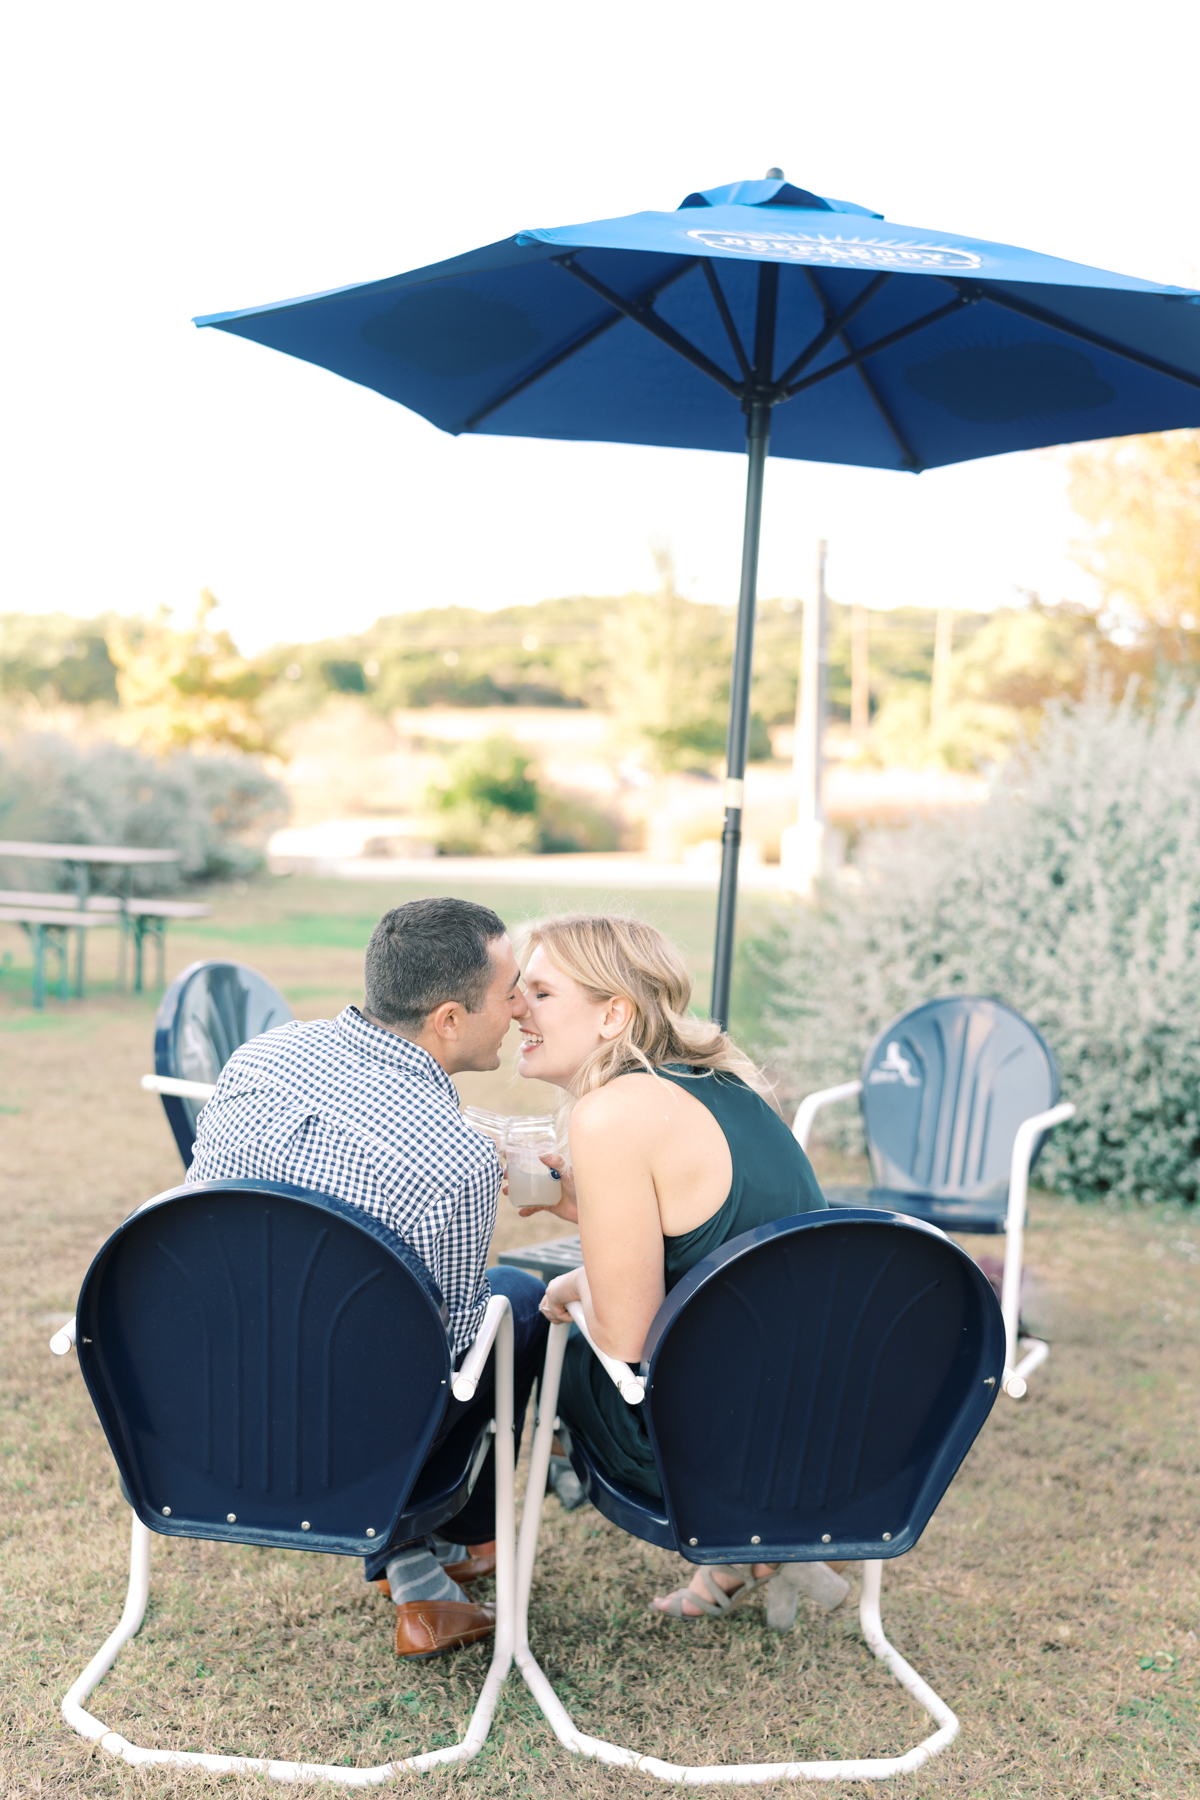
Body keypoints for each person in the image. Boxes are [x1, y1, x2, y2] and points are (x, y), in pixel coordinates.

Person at [187, 896, 548, 1658]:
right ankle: (433, 1546)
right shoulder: (457, 1161)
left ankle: (422, 1562)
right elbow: (446, 1365)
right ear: (449, 1018)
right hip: (336, 1444)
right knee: (516, 1301)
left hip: (203, 1405)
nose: (520, 1008)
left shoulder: (259, 1059)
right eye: (509, 991)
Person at [513, 912, 845, 1621]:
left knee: (531, 1332)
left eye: (539, 992)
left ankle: (456, 1554)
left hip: (707, 1449)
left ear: (613, 1015)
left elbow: (630, 1340)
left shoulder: (608, 1113)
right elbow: (717, 1242)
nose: (516, 1007)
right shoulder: (731, 1087)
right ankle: (748, 1556)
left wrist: (574, 1287)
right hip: (829, 1432)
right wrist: (582, 1205)